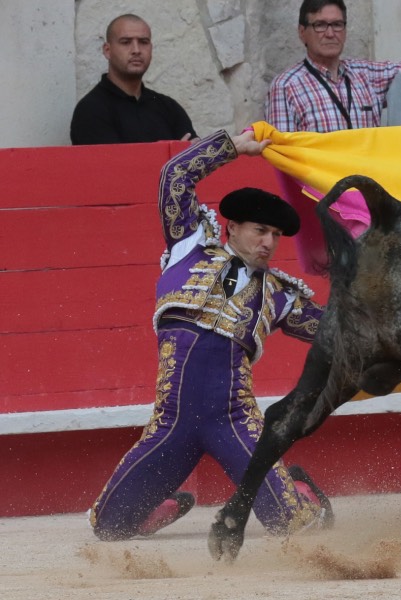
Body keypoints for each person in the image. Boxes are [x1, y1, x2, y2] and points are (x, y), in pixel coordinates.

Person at [89, 127, 330, 540]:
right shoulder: (189, 246)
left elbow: (335, 332)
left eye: (276, 235)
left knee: (295, 527)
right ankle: (157, 505)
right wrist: (232, 147)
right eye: (260, 230)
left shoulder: (278, 295)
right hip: (172, 422)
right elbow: (175, 176)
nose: (269, 242)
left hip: (232, 420)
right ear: (232, 227)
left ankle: (303, 491)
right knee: (107, 527)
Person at [266, 0, 401, 133]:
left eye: (337, 25)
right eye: (320, 25)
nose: (330, 33)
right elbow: (282, 157)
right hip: (319, 184)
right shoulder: (286, 86)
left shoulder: (366, 74)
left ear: (345, 31)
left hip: (367, 182)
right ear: (302, 32)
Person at [70, 14, 197, 145]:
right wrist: (168, 155)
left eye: (143, 42)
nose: (136, 50)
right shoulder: (91, 110)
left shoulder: (170, 108)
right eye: (126, 42)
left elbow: (197, 161)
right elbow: (112, 165)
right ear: (107, 50)